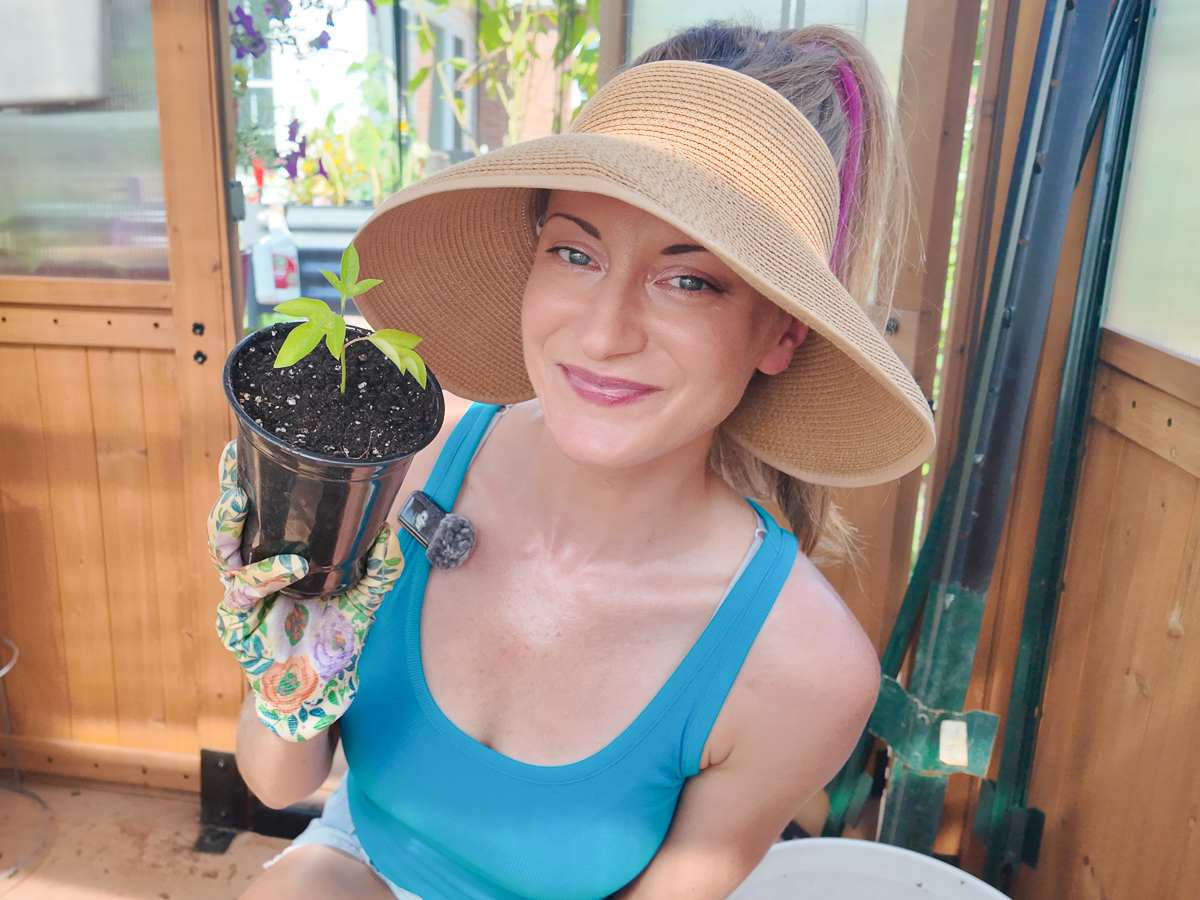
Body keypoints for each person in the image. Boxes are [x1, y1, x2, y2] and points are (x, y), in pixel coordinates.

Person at [207, 22, 935, 900]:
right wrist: (290, 667)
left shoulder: (801, 669)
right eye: (576, 252)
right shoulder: (404, 458)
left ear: (782, 332)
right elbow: (281, 783)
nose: (601, 334)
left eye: (689, 279)